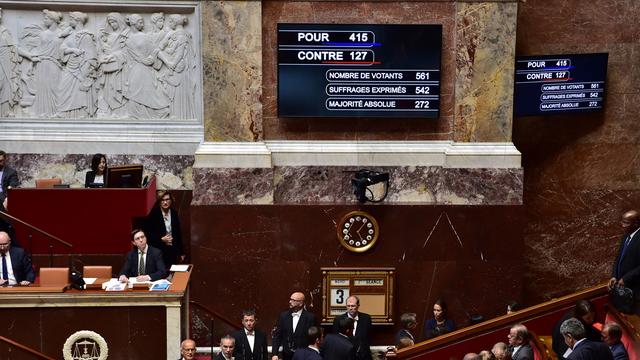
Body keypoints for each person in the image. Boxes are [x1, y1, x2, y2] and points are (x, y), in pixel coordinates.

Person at [609, 210, 640, 313]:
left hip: (636, 291)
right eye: (622, 222)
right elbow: (619, 258)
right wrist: (614, 276)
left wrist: (626, 278)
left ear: (636, 223)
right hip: (622, 289)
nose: (622, 225)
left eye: (626, 222)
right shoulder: (626, 236)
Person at [272, 291, 317, 360]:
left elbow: (313, 338)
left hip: (304, 356)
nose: (290, 301)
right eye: (290, 299)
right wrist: (275, 354)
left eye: (293, 300)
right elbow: (277, 336)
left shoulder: (310, 318)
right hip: (287, 356)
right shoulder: (283, 316)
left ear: (301, 303)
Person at [146, 190, 185, 267]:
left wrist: (181, 252)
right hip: (159, 249)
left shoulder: (174, 213)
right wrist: (161, 239)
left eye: (167, 199)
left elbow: (178, 233)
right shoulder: (154, 214)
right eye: (162, 200)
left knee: (172, 272)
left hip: (172, 249)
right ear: (159, 201)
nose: (165, 202)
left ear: (171, 201)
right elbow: (148, 234)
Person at [332, 295, 372, 360]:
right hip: (345, 355)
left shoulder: (366, 318)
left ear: (358, 306)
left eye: (353, 306)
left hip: (362, 356)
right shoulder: (338, 319)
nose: (350, 308)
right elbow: (336, 339)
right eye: (348, 306)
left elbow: (368, 338)